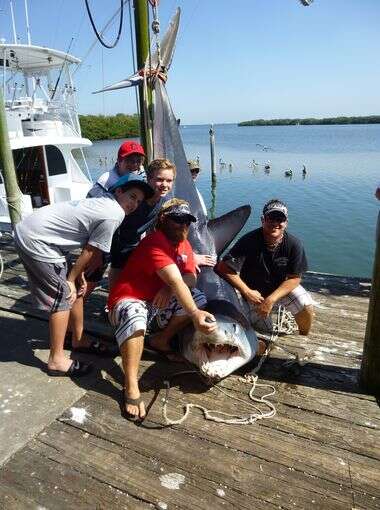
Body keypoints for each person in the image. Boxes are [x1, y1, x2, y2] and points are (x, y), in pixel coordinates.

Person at [14, 177, 154, 377]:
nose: (134, 204)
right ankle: (57, 359)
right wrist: (70, 279)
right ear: (119, 192)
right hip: (37, 240)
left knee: (77, 288)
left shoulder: (104, 203)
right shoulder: (114, 214)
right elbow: (90, 250)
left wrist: (78, 275)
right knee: (62, 294)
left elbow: (88, 244)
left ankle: (78, 339)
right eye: (132, 196)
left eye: (139, 201)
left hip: (36, 234)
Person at [107, 198, 217, 421]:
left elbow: (191, 278)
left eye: (187, 221)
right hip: (128, 301)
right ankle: (130, 385)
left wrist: (168, 288)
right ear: (163, 219)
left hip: (156, 304)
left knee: (198, 297)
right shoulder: (154, 242)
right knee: (136, 316)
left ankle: (160, 340)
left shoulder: (183, 243)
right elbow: (177, 280)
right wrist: (194, 314)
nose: (182, 225)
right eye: (177, 219)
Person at [216, 198, 314, 337]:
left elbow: (295, 278)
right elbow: (223, 267)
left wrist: (271, 299)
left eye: (280, 219)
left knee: (306, 304)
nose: (275, 223)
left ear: (286, 223)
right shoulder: (249, 240)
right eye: (271, 218)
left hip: (279, 290)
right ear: (263, 220)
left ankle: (304, 336)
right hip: (254, 295)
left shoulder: (294, 244)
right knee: (266, 332)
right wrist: (247, 291)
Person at [108, 158, 176, 289]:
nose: (164, 185)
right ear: (148, 179)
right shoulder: (137, 198)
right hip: (111, 240)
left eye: (169, 181)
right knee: (95, 279)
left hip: (133, 242)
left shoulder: (163, 201)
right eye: (159, 179)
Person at [187, 159, 216, 269]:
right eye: (191, 171)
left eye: (196, 171)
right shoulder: (185, 189)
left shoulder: (193, 188)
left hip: (202, 223)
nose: (194, 174)